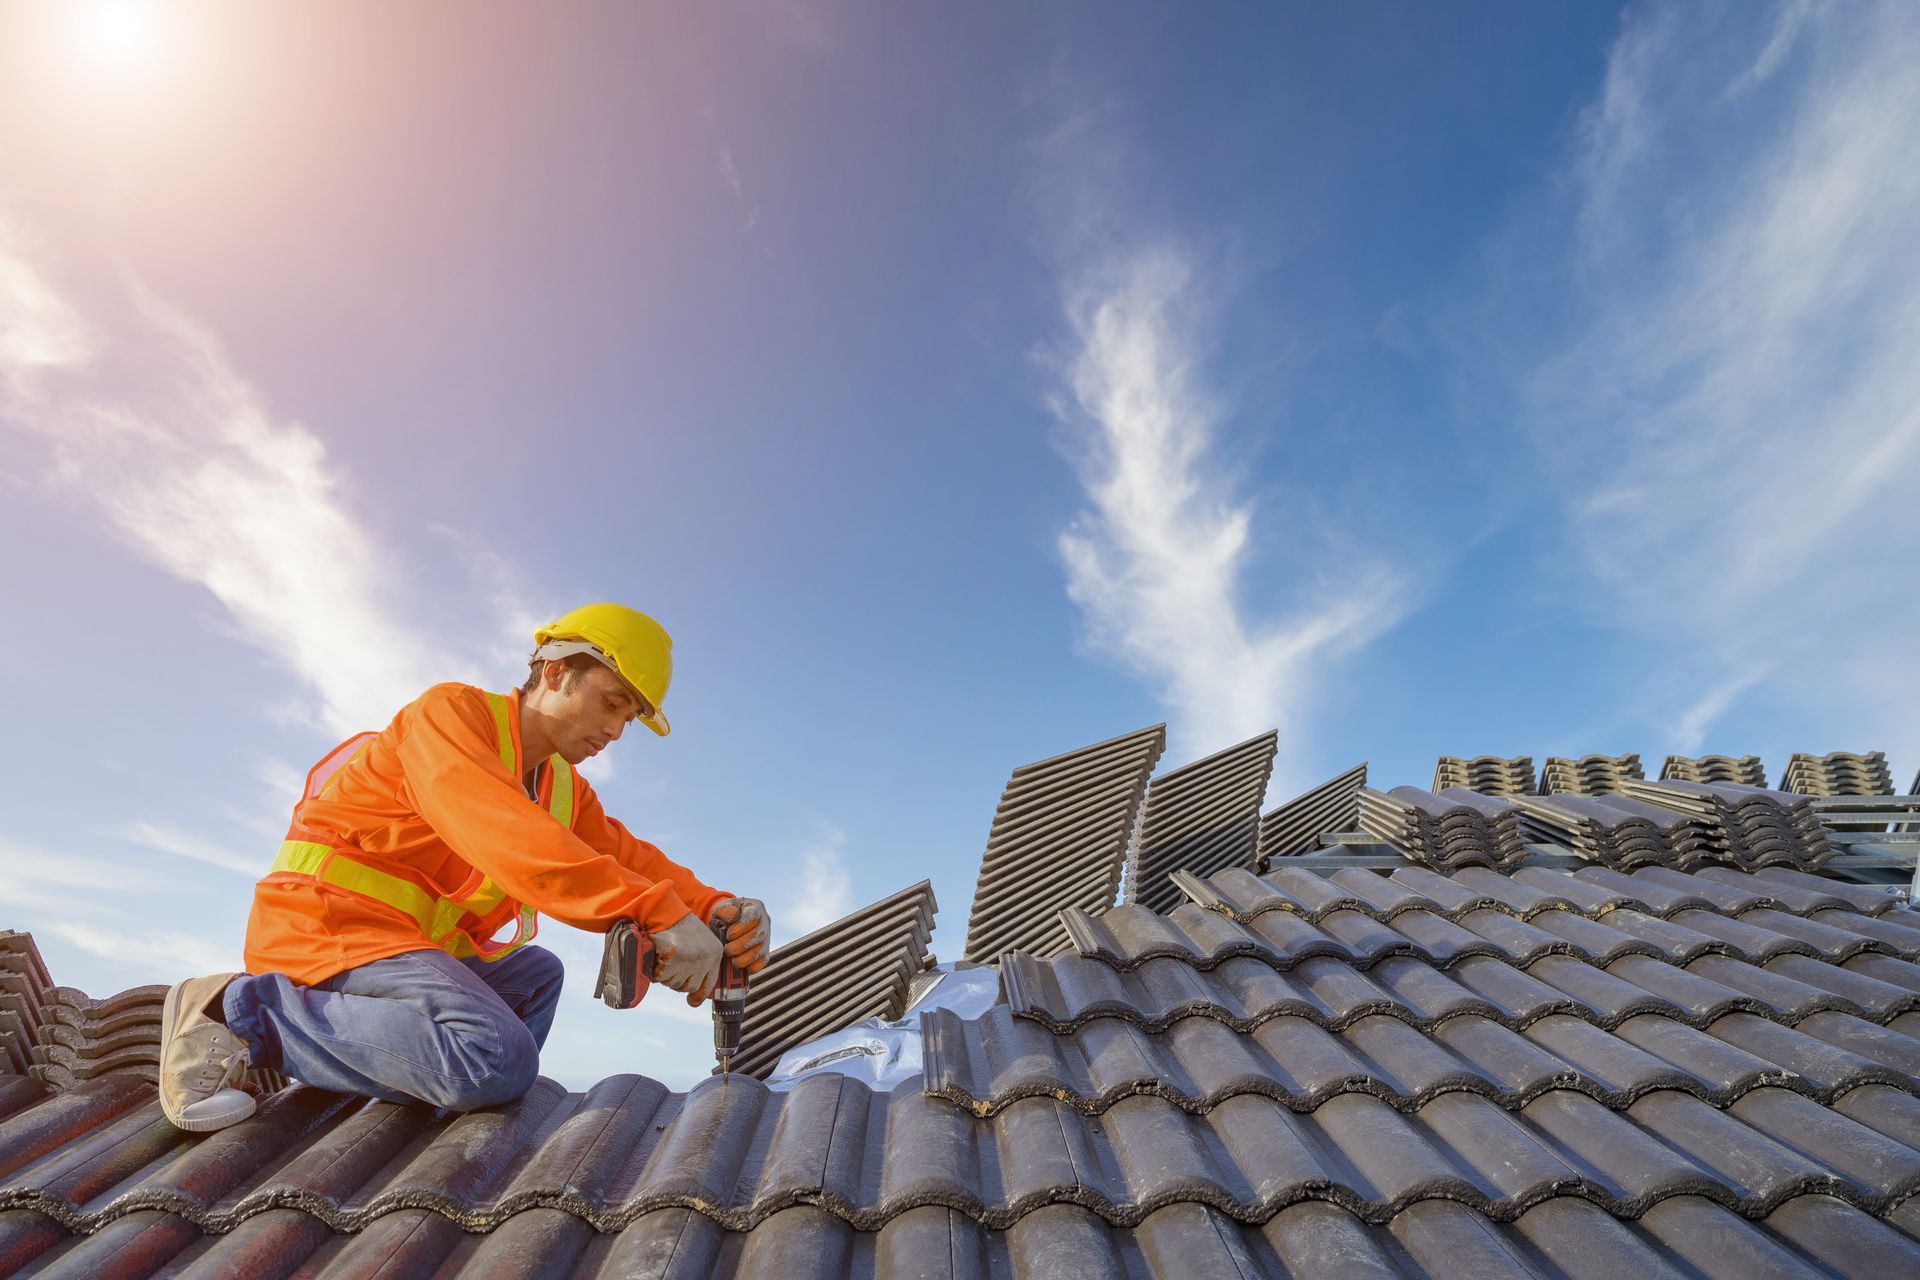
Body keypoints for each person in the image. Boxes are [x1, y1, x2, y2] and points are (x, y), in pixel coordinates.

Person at [155, 603, 768, 1132]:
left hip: (404, 947)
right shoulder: (448, 716)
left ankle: (430, 1106)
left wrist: (714, 908)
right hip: (326, 930)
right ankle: (237, 1011)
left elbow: (623, 855)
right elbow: (513, 841)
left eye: (629, 718)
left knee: (537, 976)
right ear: (554, 670)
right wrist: (653, 912)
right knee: (495, 1060)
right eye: (611, 702)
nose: (614, 729)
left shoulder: (560, 787)